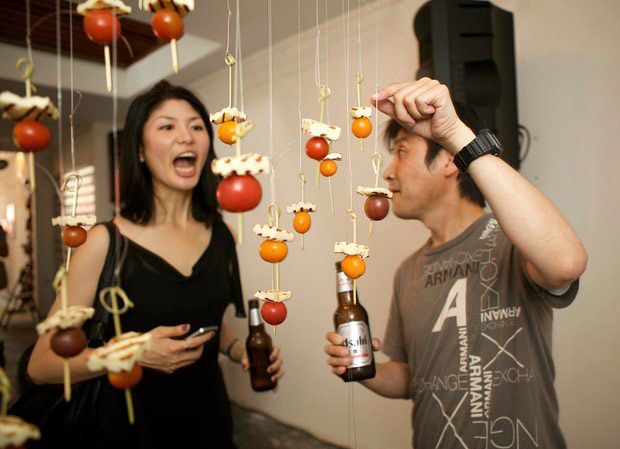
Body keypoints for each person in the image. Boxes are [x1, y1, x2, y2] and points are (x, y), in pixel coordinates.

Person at [324, 78, 587, 449]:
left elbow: (566, 263)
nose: (387, 172)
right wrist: (361, 369)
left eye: (401, 151)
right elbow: (409, 379)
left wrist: (455, 134)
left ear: (450, 160)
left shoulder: (513, 243)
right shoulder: (407, 272)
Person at [26, 81, 284, 449]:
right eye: (167, 126)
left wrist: (240, 350)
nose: (187, 137)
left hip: (207, 421)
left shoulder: (223, 235)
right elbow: (42, 365)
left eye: (196, 127)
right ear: (141, 152)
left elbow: (203, 316)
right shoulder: (104, 242)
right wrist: (129, 354)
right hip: (124, 428)